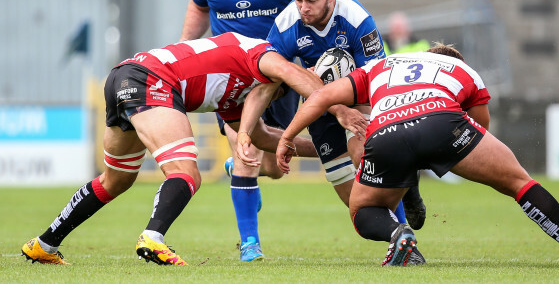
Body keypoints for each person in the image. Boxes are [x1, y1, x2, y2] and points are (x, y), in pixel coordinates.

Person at [21, 32, 361, 266]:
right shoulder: (265, 54)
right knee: (186, 173)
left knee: (115, 180)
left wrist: (330, 151)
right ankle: (153, 238)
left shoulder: (238, 94)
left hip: (124, 78)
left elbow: (262, 137)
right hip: (150, 80)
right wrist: (339, 109)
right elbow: (289, 72)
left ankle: (44, 245)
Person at [276, 43, 559, 268]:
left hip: (384, 133)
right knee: (519, 183)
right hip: (444, 124)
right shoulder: (464, 71)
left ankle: (398, 234)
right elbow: (480, 126)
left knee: (363, 209)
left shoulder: (381, 66)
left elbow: (319, 98)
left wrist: (287, 138)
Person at [260, 0, 425, 259]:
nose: (303, 8)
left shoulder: (356, 18)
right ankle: (400, 214)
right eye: (298, 0)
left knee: (365, 156)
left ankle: (405, 240)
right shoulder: (286, 24)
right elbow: (273, 72)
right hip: (319, 109)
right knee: (357, 205)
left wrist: (356, 113)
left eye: (311, 0)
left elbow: (378, 79)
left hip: (360, 97)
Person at [179, 0, 304, 261]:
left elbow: (306, 15)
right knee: (248, 153)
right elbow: (199, 11)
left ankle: (241, 168)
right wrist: (182, 51)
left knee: (274, 166)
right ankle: (250, 243)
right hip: (230, 80)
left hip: (276, 79)